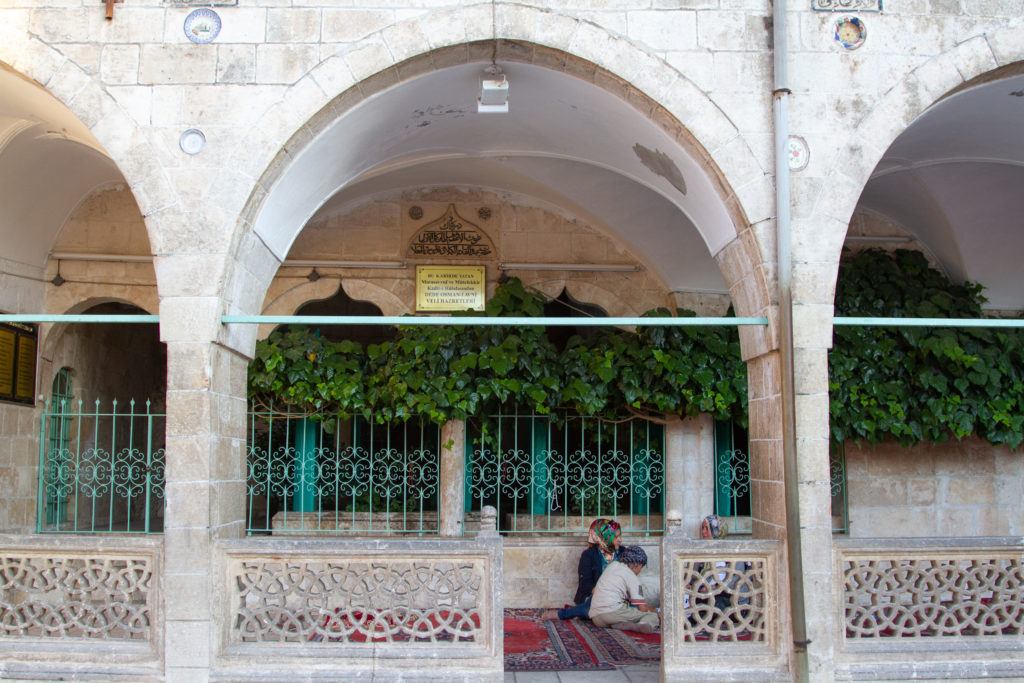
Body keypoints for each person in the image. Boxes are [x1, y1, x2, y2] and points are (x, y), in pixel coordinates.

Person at [542, 518, 621, 620]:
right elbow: (585, 585)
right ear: (605, 537)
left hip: (618, 597)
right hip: (595, 596)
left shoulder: (624, 553)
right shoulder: (588, 555)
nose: (620, 540)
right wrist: (604, 594)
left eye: (620, 536)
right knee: (591, 608)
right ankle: (564, 614)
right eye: (616, 537)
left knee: (630, 607)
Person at [588, 545, 660, 633]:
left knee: (628, 610)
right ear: (638, 565)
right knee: (652, 616)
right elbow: (642, 608)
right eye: (641, 568)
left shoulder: (612, 565)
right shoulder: (632, 576)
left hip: (596, 618)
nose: (640, 571)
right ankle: (642, 625)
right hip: (611, 614)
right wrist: (657, 611)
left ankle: (622, 624)